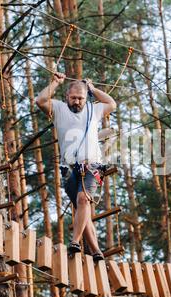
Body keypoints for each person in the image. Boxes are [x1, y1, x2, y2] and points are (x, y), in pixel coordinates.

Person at [35, 72, 117, 261]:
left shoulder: (93, 109)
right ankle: (96, 251)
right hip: (68, 167)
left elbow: (112, 104)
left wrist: (93, 89)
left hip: (93, 165)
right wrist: (55, 83)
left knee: (83, 200)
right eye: (73, 98)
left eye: (80, 98)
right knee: (83, 209)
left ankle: (75, 242)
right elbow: (40, 100)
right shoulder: (58, 109)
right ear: (67, 97)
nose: (77, 101)